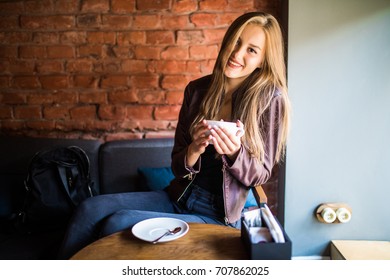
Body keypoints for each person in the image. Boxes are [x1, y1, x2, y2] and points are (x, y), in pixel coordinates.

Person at [57, 11, 290, 259]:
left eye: (251, 50)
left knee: (117, 222)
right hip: (177, 196)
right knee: (89, 208)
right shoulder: (198, 90)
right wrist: (193, 150)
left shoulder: (269, 100)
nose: (237, 53)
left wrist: (234, 152)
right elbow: (178, 166)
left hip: (217, 215)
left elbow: (260, 174)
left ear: (263, 60)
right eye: (236, 41)